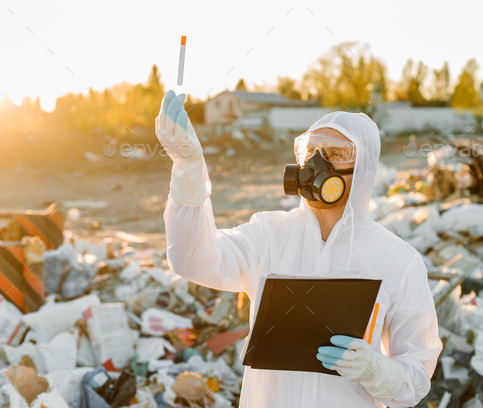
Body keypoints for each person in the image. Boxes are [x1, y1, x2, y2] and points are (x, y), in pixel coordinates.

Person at [156, 90, 443, 408]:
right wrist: (188, 167)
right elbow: (192, 258)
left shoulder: (397, 261)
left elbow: (415, 381)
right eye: (311, 151)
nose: (318, 163)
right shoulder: (267, 235)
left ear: (363, 171)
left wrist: (375, 369)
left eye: (337, 153)